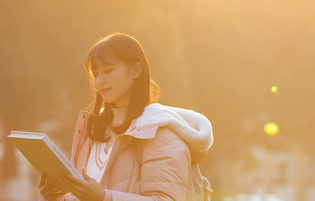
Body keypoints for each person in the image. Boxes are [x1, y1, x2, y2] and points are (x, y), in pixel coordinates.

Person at [39, 33, 213, 201]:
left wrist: (103, 197)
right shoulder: (93, 131)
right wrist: (55, 197)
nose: (99, 80)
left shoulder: (161, 134)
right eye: (95, 73)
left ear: (136, 71)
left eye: (108, 70)